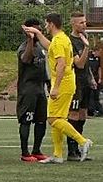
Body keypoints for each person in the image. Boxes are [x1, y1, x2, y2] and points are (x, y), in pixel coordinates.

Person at [21, 13, 93, 164]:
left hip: (63, 83)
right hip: (68, 82)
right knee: (58, 118)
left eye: (46, 24)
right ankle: (58, 154)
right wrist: (37, 33)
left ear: (51, 24)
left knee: (53, 119)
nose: (45, 27)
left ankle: (82, 141)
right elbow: (49, 46)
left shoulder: (59, 40)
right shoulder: (62, 38)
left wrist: (56, 87)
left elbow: (61, 64)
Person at [17, 18, 49, 162]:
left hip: (40, 89)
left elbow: (44, 68)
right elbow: (26, 59)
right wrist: (30, 40)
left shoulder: (40, 48)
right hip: (28, 90)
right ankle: (25, 153)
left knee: (41, 121)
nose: (38, 32)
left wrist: (48, 83)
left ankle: (37, 150)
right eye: (35, 29)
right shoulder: (24, 47)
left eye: (39, 29)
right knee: (26, 120)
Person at [67, 11, 94, 160]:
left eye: (85, 22)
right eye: (81, 22)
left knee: (83, 114)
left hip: (85, 82)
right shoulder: (70, 41)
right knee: (74, 114)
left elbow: (86, 65)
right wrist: (86, 47)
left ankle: (79, 147)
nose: (84, 25)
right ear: (73, 24)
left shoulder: (84, 38)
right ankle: (72, 151)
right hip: (75, 82)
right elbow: (79, 63)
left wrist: (91, 78)